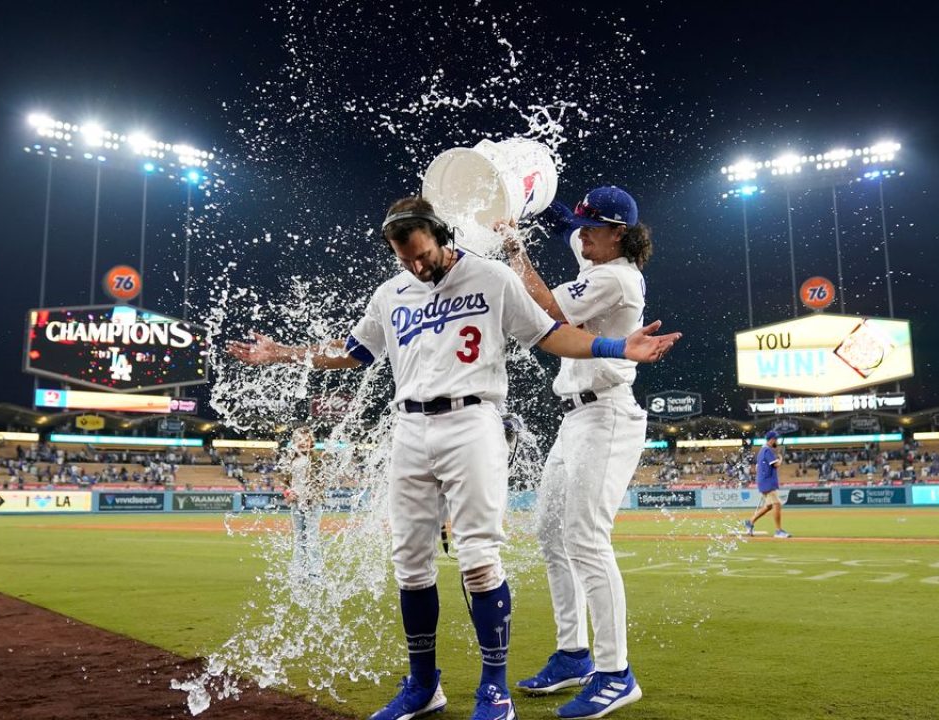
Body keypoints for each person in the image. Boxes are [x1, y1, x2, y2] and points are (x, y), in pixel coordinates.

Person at [227, 196, 679, 720]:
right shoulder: (391, 292)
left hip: (473, 420)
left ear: (442, 235)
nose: (416, 266)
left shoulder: (489, 276)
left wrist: (616, 348)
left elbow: (550, 332)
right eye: (404, 258)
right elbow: (353, 354)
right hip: (409, 427)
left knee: (480, 560)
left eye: (422, 253)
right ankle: (424, 687)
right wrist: (284, 352)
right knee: (410, 563)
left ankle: (495, 691)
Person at [500, 186, 652, 718]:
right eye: (582, 225)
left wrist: (512, 247)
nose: (580, 235)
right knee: (550, 531)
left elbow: (545, 308)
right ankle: (574, 655)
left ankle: (616, 674)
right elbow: (573, 229)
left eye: (593, 227)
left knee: (586, 538)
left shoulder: (614, 276)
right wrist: (556, 211)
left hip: (607, 414)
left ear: (621, 235)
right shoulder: (599, 251)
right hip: (577, 417)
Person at [281, 425, 325, 580]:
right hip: (296, 503)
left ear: (311, 441)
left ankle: (316, 574)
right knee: (299, 538)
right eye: (299, 439)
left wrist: (310, 495)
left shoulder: (315, 458)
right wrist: (288, 494)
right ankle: (298, 572)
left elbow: (321, 481)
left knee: (312, 538)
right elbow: (286, 482)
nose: (303, 443)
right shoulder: (291, 458)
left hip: (312, 502)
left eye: (306, 439)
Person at [745, 431, 791, 538]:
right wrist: (780, 458)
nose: (777, 441)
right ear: (772, 439)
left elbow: (757, 468)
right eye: (776, 439)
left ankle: (750, 522)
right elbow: (775, 464)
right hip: (768, 482)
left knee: (769, 506)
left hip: (764, 481)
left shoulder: (762, 451)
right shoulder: (767, 450)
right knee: (777, 504)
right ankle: (778, 531)